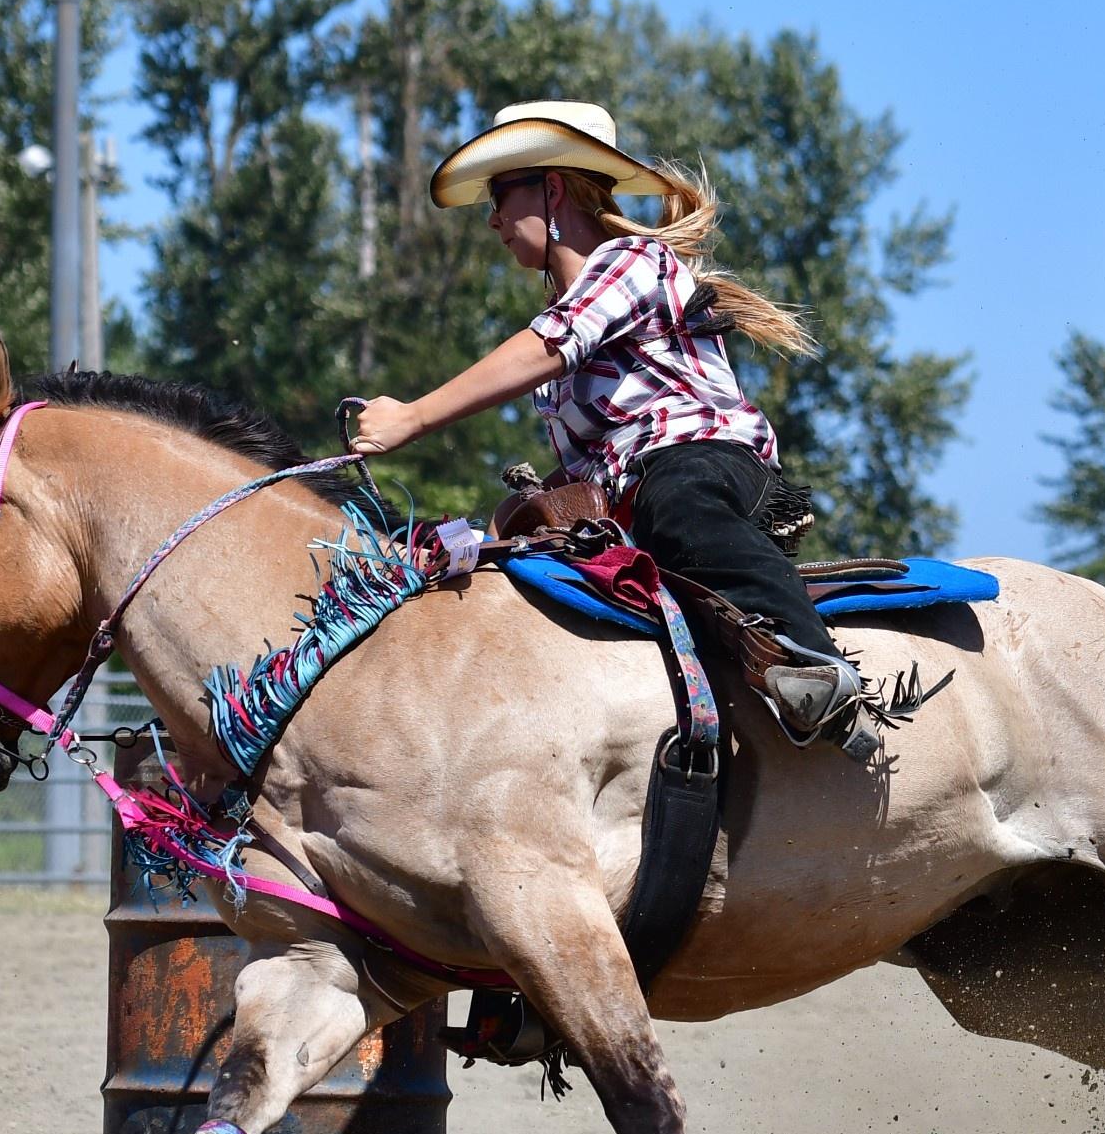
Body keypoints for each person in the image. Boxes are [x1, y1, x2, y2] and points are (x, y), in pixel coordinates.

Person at [345, 100, 869, 752]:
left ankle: (814, 665)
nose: (493, 219)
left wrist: (413, 417)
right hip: (632, 497)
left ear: (552, 189)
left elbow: (552, 343)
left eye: (501, 195)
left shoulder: (632, 261)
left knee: (677, 502)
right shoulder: (573, 316)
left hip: (708, 464)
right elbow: (593, 457)